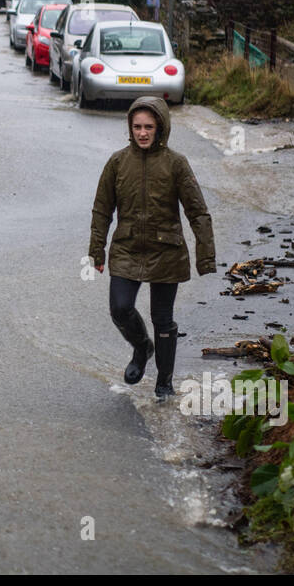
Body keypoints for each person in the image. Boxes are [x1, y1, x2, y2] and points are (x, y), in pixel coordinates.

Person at [89, 96, 215, 398]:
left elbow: (197, 211)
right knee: (120, 308)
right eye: (137, 127)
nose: (142, 133)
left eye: (148, 127)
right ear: (130, 128)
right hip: (127, 247)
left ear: (160, 128)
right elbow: (102, 210)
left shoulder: (176, 163)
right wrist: (97, 249)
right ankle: (142, 347)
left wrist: (205, 256)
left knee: (163, 318)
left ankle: (164, 381)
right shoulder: (117, 163)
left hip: (166, 251)